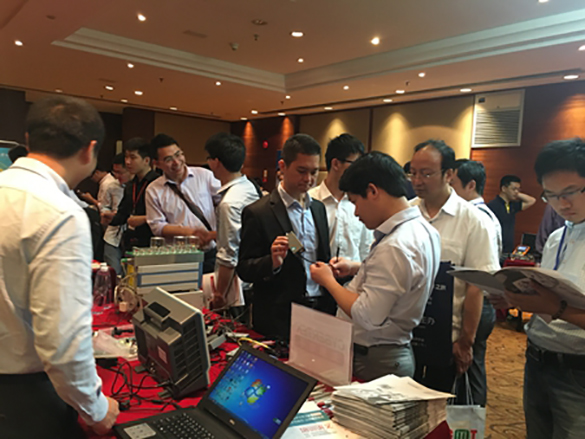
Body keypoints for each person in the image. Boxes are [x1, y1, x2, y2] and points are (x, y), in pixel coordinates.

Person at [0, 96, 119, 438]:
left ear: (28, 140)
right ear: (90, 150)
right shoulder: (59, 212)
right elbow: (63, 342)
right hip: (24, 400)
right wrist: (97, 409)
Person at [310, 152, 441, 381]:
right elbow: (402, 277)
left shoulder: (395, 245)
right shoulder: (423, 229)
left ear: (372, 191)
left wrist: (328, 281)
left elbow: (366, 315)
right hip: (390, 352)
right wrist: (356, 268)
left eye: (355, 202)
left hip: (374, 359)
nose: (356, 213)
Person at [489, 139, 585, 439]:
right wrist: (515, 297)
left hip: (578, 370)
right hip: (537, 360)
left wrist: (555, 308)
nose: (561, 204)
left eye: (569, 193)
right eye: (551, 196)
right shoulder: (557, 237)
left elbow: (556, 304)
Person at [409, 140, 500, 401]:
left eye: (426, 173)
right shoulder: (407, 212)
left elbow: (476, 285)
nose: (417, 181)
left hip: (447, 337)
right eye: (413, 173)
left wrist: (466, 341)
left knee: (444, 406)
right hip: (406, 333)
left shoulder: (474, 221)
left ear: (448, 174)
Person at [237, 133, 335, 339]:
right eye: (301, 171)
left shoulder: (318, 209)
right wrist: (272, 262)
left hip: (319, 309)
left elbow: (321, 255)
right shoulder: (258, 212)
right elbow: (244, 268)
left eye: (314, 172)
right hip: (278, 315)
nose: (308, 179)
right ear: (282, 166)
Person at [450, 158, 501, 406]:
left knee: (469, 366)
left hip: (477, 301)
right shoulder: (485, 213)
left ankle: (470, 420)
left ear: (470, 185)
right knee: (471, 367)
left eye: (453, 184)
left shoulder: (477, 217)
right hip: (479, 301)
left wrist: (466, 337)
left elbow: (478, 279)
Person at [146, 134, 221, 273]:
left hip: (210, 253)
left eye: (178, 154)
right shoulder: (153, 190)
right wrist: (190, 233)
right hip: (178, 257)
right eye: (168, 159)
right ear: (156, 163)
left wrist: (215, 233)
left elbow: (224, 202)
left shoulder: (205, 176)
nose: (176, 162)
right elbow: (157, 226)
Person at [204, 132, 261, 311]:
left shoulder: (229, 203)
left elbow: (229, 255)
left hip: (238, 286)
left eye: (209, 159)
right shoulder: (249, 186)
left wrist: (220, 293)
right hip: (254, 276)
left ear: (216, 162)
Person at [308, 134, 372, 264]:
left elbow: (366, 249)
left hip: (353, 275)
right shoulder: (310, 200)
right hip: (318, 273)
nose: (359, 171)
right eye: (354, 164)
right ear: (336, 164)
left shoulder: (362, 202)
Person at [110, 138, 159, 250]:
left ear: (146, 160)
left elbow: (167, 215)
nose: (127, 162)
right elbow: (124, 214)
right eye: (126, 157)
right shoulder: (131, 185)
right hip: (131, 241)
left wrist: (144, 219)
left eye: (132, 157)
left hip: (152, 242)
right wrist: (109, 218)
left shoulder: (158, 183)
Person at [487, 174, 536, 255]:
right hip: (496, 250)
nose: (516, 192)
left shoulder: (512, 205)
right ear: (504, 188)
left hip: (509, 250)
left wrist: (517, 193)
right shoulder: (493, 205)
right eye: (513, 189)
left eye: (518, 189)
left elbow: (531, 201)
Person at [101, 153, 133, 274]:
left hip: (131, 237)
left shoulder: (136, 187)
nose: (117, 176)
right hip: (112, 236)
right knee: (113, 273)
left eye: (120, 173)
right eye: (115, 173)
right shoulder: (111, 186)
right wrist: (106, 213)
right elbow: (104, 205)